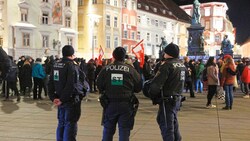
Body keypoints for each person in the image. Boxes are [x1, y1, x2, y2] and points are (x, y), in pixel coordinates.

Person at [97, 47, 142, 141]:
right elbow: (139, 87)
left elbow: (99, 85)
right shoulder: (130, 70)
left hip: (109, 103)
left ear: (113, 56)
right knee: (124, 131)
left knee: (108, 131)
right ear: (124, 57)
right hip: (126, 104)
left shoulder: (106, 69)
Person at [48, 45, 87, 141]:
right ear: (72, 54)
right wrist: (62, 99)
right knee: (70, 124)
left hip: (59, 98)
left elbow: (51, 83)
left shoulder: (56, 64)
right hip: (70, 100)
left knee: (61, 123)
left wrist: (53, 98)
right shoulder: (72, 66)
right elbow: (71, 85)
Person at [149, 43, 185, 141]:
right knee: (173, 123)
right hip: (177, 98)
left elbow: (156, 84)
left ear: (168, 53)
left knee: (166, 125)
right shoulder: (181, 64)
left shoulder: (167, 65)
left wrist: (152, 94)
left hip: (168, 100)